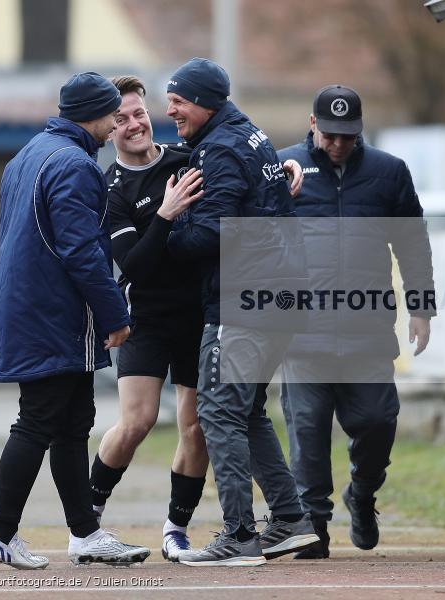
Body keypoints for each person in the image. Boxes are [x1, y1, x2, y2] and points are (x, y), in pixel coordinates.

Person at [90, 75, 305, 563]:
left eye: (138, 113)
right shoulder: (112, 189)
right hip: (148, 316)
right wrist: (164, 215)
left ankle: (176, 528)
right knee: (138, 421)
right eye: (119, 119)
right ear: (108, 129)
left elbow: (242, 176)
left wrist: (285, 167)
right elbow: (137, 266)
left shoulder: (188, 156)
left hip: (202, 315)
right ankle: (88, 515)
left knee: (200, 426)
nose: (133, 124)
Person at [0, 72, 150, 569]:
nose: (117, 122)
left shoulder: (28, 152)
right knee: (37, 422)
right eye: (113, 114)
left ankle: (85, 533)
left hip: (31, 308)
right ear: (95, 115)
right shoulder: (75, 164)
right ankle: (0, 535)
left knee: (73, 424)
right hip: (52, 315)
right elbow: (81, 251)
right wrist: (114, 315)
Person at [163, 58, 318, 567]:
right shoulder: (248, 134)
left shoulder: (222, 149)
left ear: (205, 102)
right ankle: (291, 521)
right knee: (247, 411)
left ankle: (239, 534)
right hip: (280, 294)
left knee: (218, 412)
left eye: (179, 101)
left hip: (244, 298)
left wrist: (167, 228)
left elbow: (213, 232)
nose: (171, 109)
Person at [276, 85, 436, 558]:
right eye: (329, 135)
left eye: (347, 136)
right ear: (312, 124)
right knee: (307, 433)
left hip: (367, 332)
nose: (338, 144)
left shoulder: (389, 173)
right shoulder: (282, 168)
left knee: (377, 421)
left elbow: (413, 243)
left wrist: (422, 308)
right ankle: (314, 526)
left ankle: (362, 495)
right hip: (302, 334)